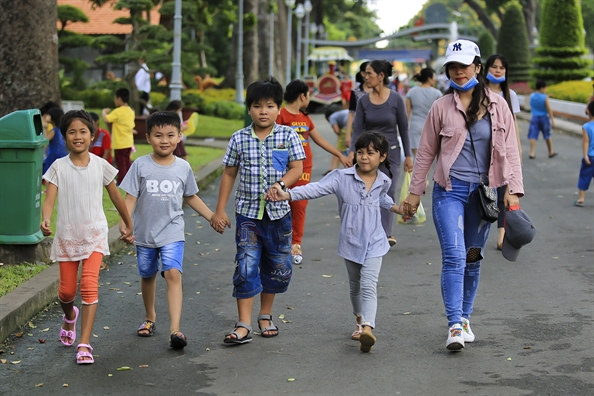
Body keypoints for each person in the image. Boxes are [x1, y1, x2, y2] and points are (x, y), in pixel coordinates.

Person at [403, 39, 524, 351]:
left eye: (464, 66)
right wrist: (415, 193)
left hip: (483, 196)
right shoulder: (441, 107)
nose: (458, 72)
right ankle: (454, 324)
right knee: (455, 255)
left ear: (478, 68)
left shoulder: (499, 106)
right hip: (449, 191)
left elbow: (511, 151)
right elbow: (426, 152)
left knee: (474, 257)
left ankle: (466, 316)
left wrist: (514, 193)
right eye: (453, 67)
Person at [268, 132, 405, 353]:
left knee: (369, 285)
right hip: (351, 241)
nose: (364, 157)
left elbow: (383, 199)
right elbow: (315, 188)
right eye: (360, 152)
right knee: (355, 287)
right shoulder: (341, 177)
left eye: (370, 153)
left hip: (375, 242)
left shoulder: (383, 180)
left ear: (382, 157)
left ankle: (368, 328)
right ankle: (359, 320)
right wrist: (288, 195)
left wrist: (399, 209)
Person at [210, 77, 306, 344]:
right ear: (249, 109)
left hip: (279, 215)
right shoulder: (239, 138)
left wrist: (280, 184)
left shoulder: (288, 135)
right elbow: (229, 174)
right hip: (248, 215)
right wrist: (220, 210)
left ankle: (265, 315)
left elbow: (297, 168)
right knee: (246, 265)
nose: (263, 111)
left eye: (270, 105)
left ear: (278, 108)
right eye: (257, 106)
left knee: (277, 265)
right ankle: (243, 324)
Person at [119, 111, 220, 349]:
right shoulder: (140, 165)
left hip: (172, 231)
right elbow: (130, 198)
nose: (164, 140)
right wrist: (126, 223)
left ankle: (176, 329)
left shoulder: (183, 167)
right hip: (145, 233)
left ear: (179, 137)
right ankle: (150, 318)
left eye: (170, 135)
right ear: (148, 137)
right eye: (158, 135)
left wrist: (211, 217)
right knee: (147, 274)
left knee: (173, 273)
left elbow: (191, 197)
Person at [41, 110, 133, 364]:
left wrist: (128, 223)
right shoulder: (58, 166)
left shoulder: (101, 165)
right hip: (68, 236)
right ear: (64, 136)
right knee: (67, 292)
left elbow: (115, 196)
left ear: (92, 135)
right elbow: (49, 199)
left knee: (89, 286)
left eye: (83, 131)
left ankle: (84, 344)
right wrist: (46, 218)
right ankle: (70, 316)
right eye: (72, 132)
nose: (78, 136)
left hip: (94, 234)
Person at [277, 80, 350, 264]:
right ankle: (279, 241)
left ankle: (296, 243)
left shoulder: (305, 118)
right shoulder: (281, 115)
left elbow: (320, 140)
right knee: (280, 203)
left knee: (300, 204)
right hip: (283, 168)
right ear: (302, 96)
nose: (309, 98)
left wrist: (339, 155)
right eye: (309, 95)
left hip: (304, 168)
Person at [349, 60, 413, 247]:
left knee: (388, 189)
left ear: (381, 76)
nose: (365, 77)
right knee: (367, 191)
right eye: (365, 73)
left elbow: (404, 129)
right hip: (368, 155)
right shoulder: (363, 101)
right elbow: (358, 130)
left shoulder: (396, 99)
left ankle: (386, 233)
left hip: (391, 152)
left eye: (369, 73)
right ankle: (370, 231)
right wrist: (353, 153)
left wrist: (409, 155)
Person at [483, 54, 523, 250]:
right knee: (484, 194)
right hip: (483, 150)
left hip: (503, 150)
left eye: (502, 68)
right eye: (494, 67)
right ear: (486, 69)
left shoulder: (510, 95)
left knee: (503, 194)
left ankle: (502, 235)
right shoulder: (478, 92)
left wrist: (518, 149)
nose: (498, 71)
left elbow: (513, 124)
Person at [405, 67, 443, 157]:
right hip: (431, 127)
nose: (435, 80)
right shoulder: (437, 93)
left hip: (415, 126)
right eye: (434, 77)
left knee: (417, 158)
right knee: (427, 158)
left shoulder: (411, 92)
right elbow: (441, 113)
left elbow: (407, 112)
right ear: (429, 79)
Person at [102, 88, 135, 185]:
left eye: (115, 98)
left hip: (120, 143)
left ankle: (122, 182)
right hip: (128, 142)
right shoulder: (130, 111)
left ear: (119, 99)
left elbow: (106, 119)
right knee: (127, 162)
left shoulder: (118, 111)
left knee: (121, 164)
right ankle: (130, 180)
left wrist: (104, 112)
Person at [344, 61, 372, 148]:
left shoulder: (380, 91)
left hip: (377, 130)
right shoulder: (355, 92)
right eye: (368, 72)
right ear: (363, 73)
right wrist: (348, 135)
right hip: (360, 131)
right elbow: (351, 113)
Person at [528, 80, 557, 159]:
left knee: (533, 135)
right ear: (542, 88)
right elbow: (549, 109)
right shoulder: (544, 98)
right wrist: (553, 121)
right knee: (547, 135)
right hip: (544, 118)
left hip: (534, 117)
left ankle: (532, 153)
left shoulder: (532, 96)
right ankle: (550, 151)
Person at [574, 101, 594, 207]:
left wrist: (585, 155)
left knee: (584, 176)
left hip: (591, 157)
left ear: (588, 111)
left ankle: (581, 198)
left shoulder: (586, 126)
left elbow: (586, 141)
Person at [42, 107, 68, 174]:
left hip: (53, 156)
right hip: (62, 154)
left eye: (49, 115)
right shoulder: (61, 129)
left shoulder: (54, 130)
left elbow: (45, 141)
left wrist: (45, 128)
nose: (47, 116)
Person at [324, 108, 350, 174]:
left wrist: (340, 135)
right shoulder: (340, 114)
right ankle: (338, 167)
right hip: (355, 124)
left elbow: (337, 131)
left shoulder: (332, 117)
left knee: (338, 150)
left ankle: (331, 169)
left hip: (349, 126)